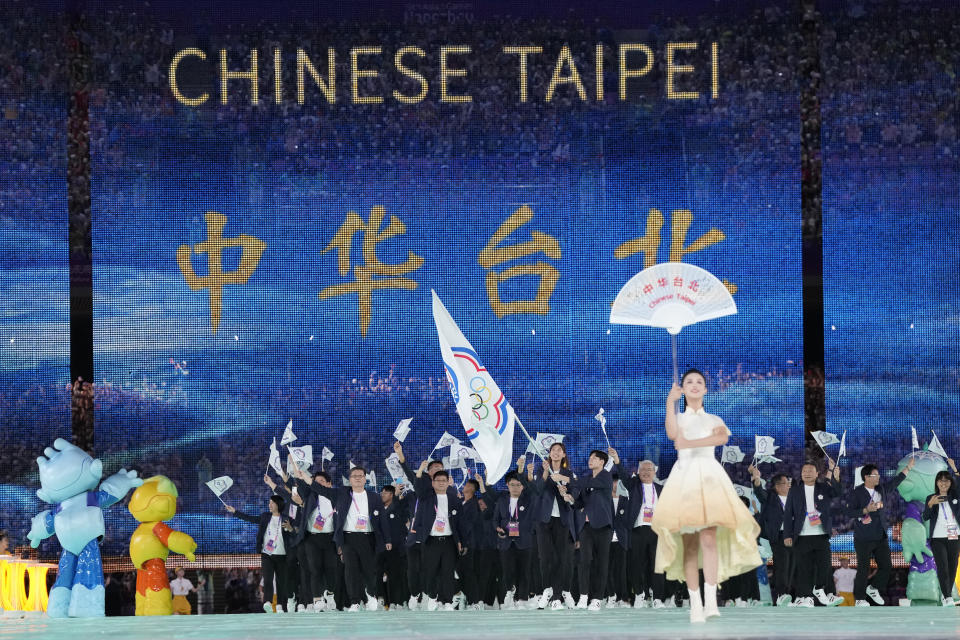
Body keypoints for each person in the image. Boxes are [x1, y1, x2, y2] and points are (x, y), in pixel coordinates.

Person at [650, 369, 762, 624]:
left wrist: (690, 444)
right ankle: (695, 603)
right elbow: (671, 433)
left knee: (709, 538)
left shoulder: (713, 417)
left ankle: (711, 600)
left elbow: (722, 436)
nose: (694, 385)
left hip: (710, 477)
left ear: (706, 389)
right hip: (685, 480)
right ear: (683, 388)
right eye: (689, 381)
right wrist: (669, 402)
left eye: (699, 381)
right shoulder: (678, 416)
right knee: (689, 544)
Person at [295, 465, 391, 612]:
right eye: (355, 476)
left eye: (360, 476)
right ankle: (354, 602)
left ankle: (371, 595)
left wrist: (387, 539)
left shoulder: (374, 497)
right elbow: (320, 489)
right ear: (350, 480)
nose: (358, 478)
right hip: (348, 538)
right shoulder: (342, 493)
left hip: (368, 537)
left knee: (370, 570)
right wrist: (305, 478)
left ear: (365, 479)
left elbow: (383, 519)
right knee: (350, 571)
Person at [846, 458, 916, 606]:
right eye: (875, 475)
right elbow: (849, 512)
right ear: (866, 477)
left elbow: (896, 481)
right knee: (863, 569)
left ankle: (873, 588)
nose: (878, 477)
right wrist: (865, 510)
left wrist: (908, 468)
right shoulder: (856, 493)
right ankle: (859, 599)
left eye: (878, 475)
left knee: (886, 566)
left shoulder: (881, 489)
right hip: (863, 538)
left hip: (880, 536)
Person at [783, 460, 844, 608]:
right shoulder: (795, 490)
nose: (807, 473)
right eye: (804, 471)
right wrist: (787, 535)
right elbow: (787, 514)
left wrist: (836, 477)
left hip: (821, 534)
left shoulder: (823, 487)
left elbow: (837, 492)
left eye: (811, 471)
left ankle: (818, 588)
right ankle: (806, 597)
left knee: (825, 566)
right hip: (801, 536)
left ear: (817, 474)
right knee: (804, 569)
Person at [611, 452, 666, 608]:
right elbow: (623, 475)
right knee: (636, 565)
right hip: (637, 530)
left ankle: (657, 598)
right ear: (639, 471)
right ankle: (640, 594)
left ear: (654, 472)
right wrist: (617, 461)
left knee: (656, 566)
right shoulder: (634, 485)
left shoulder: (661, 489)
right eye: (643, 469)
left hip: (656, 531)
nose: (646, 472)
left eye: (649, 469)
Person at [224, 494, 295, 613]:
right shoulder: (265, 516)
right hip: (267, 553)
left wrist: (290, 528)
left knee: (281, 581)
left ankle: (281, 605)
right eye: (269, 502)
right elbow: (250, 518)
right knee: (267, 578)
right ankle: (267, 601)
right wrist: (235, 512)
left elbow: (294, 534)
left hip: (282, 555)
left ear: (278, 504)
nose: (269, 505)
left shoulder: (287, 519)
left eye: (272, 503)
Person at [407, 469, 464, 610]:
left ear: (448, 483)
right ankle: (432, 597)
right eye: (438, 481)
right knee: (430, 572)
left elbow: (460, 522)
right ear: (432, 483)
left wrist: (460, 541)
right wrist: (419, 471)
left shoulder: (454, 499)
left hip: (449, 541)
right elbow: (418, 485)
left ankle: (448, 602)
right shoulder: (426, 497)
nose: (441, 483)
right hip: (431, 541)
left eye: (444, 481)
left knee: (448, 572)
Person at [489, 461, 541, 610]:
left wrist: (521, 469)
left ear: (523, 486)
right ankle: (509, 597)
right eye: (512, 484)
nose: (515, 487)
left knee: (524, 571)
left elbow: (533, 489)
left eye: (518, 484)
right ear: (507, 485)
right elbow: (495, 519)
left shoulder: (528, 498)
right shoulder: (502, 500)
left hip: (524, 541)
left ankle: (522, 599)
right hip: (506, 542)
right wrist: (497, 528)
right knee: (507, 572)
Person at [532, 442, 578, 610]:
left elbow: (576, 494)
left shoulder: (569, 474)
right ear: (549, 454)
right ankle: (547, 591)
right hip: (544, 520)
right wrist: (545, 472)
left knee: (561, 559)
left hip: (563, 520)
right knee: (545, 558)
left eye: (559, 450)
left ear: (564, 455)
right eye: (553, 450)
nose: (556, 453)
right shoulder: (542, 471)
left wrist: (567, 494)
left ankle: (558, 595)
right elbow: (537, 490)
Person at [573, 449, 615, 611]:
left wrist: (569, 479)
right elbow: (580, 503)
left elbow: (584, 483)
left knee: (601, 563)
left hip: (603, 527)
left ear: (602, 462)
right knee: (584, 561)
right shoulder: (587, 479)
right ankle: (584, 597)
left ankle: (597, 598)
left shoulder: (605, 476)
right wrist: (570, 497)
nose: (590, 460)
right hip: (586, 527)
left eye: (594, 458)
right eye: (589, 458)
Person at [749, 465, 794, 605]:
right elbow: (759, 490)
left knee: (792, 566)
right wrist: (756, 478)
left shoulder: (794, 498)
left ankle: (788, 595)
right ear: (777, 486)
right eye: (787, 483)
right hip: (778, 536)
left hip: (793, 536)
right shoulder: (770, 497)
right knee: (782, 565)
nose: (789, 485)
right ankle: (781, 595)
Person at [295, 470, 339, 612]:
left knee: (331, 570)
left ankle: (330, 595)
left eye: (320, 481)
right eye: (315, 481)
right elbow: (301, 486)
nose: (317, 484)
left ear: (329, 484)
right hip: (312, 538)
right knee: (315, 569)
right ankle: (317, 599)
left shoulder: (336, 497)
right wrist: (297, 473)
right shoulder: (310, 495)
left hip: (330, 539)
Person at [922, 458, 960, 606]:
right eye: (940, 480)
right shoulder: (930, 498)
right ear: (936, 483)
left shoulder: (955, 497)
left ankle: (946, 595)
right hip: (937, 537)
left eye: (946, 481)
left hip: (954, 536)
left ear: (950, 483)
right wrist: (930, 505)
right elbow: (925, 516)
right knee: (943, 566)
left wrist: (954, 468)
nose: (943, 483)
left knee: (953, 567)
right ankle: (948, 597)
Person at [379, 484, 410, 610]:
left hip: (397, 548)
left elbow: (402, 513)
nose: (382, 495)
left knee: (397, 575)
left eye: (385, 493)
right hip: (381, 548)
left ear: (392, 495)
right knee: (381, 575)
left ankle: (400, 601)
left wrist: (397, 497)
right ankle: (386, 601)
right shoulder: (378, 508)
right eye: (381, 493)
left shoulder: (399, 507)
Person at [607, 474, 632, 607]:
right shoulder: (605, 500)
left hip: (621, 540)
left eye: (617, 485)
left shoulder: (626, 500)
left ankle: (623, 597)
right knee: (607, 569)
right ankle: (611, 596)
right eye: (613, 484)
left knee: (621, 570)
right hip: (606, 540)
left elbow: (628, 521)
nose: (615, 487)